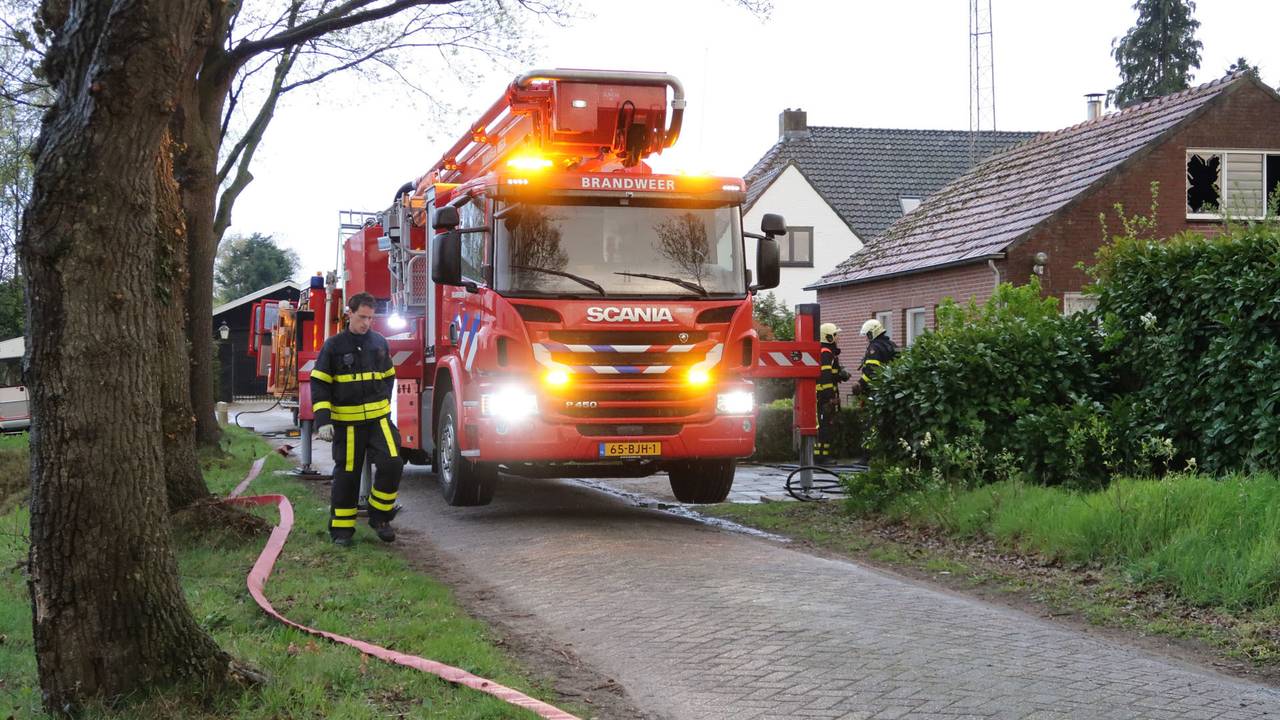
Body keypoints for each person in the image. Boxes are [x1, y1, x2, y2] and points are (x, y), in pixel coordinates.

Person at [311, 292, 403, 546]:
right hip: (347, 424)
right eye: (362, 317)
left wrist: (383, 400)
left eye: (371, 318)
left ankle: (380, 517)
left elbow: (389, 376)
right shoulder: (333, 346)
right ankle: (341, 531)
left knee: (393, 463)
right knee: (347, 476)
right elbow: (319, 384)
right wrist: (324, 420)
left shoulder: (379, 342)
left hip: (378, 420)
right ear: (349, 313)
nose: (366, 323)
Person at [815, 322, 850, 465]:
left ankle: (824, 455)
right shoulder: (825, 353)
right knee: (824, 427)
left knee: (827, 426)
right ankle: (821, 457)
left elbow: (831, 375)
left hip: (825, 397)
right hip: (824, 398)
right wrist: (830, 398)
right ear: (829, 337)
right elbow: (825, 376)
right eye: (836, 335)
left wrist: (840, 376)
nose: (838, 338)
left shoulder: (828, 353)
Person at [854, 319, 898, 394]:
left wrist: (861, 383)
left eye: (867, 335)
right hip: (891, 385)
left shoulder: (874, 347)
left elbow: (872, 369)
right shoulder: (891, 344)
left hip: (876, 388)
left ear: (872, 333)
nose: (866, 338)